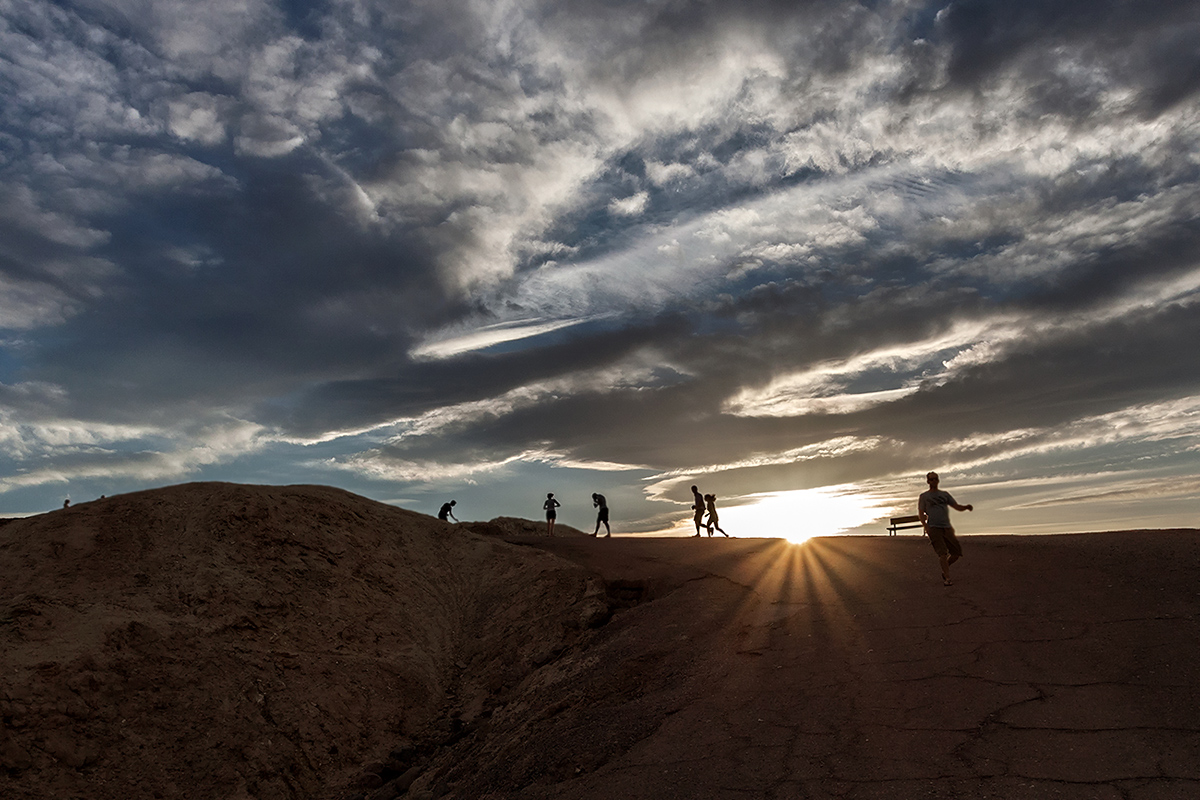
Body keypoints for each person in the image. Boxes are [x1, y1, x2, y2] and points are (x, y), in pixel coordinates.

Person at [918, 472, 973, 586]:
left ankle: (945, 568)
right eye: (931, 479)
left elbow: (956, 506)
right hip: (934, 527)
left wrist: (966, 507)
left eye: (935, 479)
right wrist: (925, 526)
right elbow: (921, 512)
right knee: (942, 553)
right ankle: (947, 578)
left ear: (938, 481)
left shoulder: (944, 495)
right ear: (928, 481)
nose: (934, 481)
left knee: (956, 553)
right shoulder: (924, 497)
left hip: (947, 527)